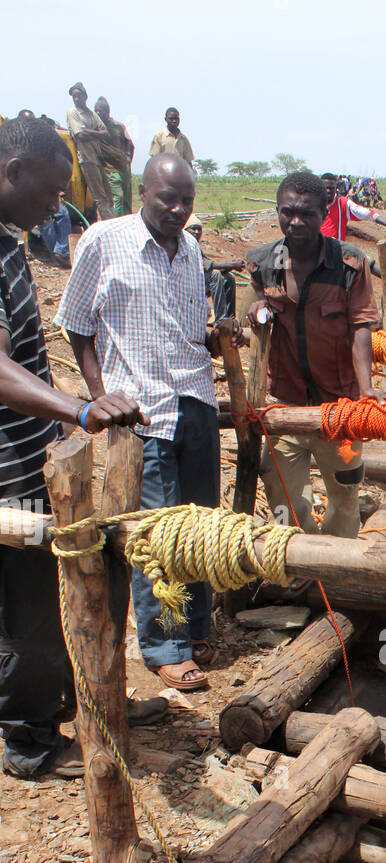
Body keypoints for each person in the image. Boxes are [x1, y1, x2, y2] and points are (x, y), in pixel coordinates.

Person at [57, 153, 243, 692]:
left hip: (195, 402)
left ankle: (197, 625)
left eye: (187, 201)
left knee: (202, 522)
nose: (179, 210)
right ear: (143, 192)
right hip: (142, 412)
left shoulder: (191, 252)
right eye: (169, 200)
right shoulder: (102, 240)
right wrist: (100, 394)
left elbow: (188, 334)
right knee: (157, 534)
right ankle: (165, 644)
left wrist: (218, 337)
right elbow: (77, 326)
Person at [0, 114, 144, 778]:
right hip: (7, 470)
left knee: (60, 586)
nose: (59, 204)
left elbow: (28, 354)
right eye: (53, 191)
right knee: (27, 607)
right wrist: (78, 409)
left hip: (33, 453)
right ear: (13, 172)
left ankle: (77, 701)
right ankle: (29, 741)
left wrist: (58, 425)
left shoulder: (10, 240)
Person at [245, 170, 379, 564]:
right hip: (284, 408)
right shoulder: (262, 263)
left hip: (340, 409)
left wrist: (366, 388)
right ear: (278, 211)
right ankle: (302, 568)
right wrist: (254, 311)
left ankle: (337, 567)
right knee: (285, 500)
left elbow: (361, 326)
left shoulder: (349, 264)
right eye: (287, 213)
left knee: (345, 494)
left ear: (325, 211)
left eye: (306, 213)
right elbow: (248, 313)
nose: (296, 222)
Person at [65, 82, 113, 221]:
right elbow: (80, 135)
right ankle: (109, 225)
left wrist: (88, 131)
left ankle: (110, 221)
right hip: (87, 158)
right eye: (74, 96)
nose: (76, 99)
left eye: (78, 95)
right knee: (100, 197)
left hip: (98, 158)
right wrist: (96, 133)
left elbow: (106, 132)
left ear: (85, 97)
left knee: (108, 195)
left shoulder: (91, 114)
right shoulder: (72, 112)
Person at [184, 213, 242, 323]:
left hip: (199, 283)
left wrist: (231, 267)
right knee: (215, 275)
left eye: (199, 229)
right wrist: (232, 265)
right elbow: (206, 266)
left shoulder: (196, 246)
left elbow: (208, 266)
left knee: (228, 278)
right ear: (186, 230)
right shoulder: (185, 245)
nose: (196, 232)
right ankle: (220, 321)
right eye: (193, 229)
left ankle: (229, 319)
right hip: (188, 286)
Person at [320, 172, 386, 240]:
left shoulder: (343, 204)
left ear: (336, 188)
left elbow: (367, 213)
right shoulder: (313, 204)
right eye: (325, 188)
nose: (328, 191)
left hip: (335, 251)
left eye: (331, 188)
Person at [93, 97, 134, 217]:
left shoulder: (119, 126)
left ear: (108, 111)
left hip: (123, 168)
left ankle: (127, 224)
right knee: (118, 197)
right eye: (96, 110)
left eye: (101, 110)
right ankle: (115, 224)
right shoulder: (95, 128)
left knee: (126, 199)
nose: (98, 113)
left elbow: (129, 143)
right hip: (109, 170)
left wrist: (127, 158)